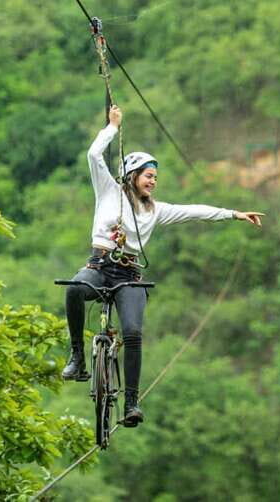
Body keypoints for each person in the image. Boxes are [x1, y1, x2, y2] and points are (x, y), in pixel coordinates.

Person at [62, 104, 264, 427]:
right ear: (132, 176)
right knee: (74, 288)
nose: (153, 182)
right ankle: (77, 357)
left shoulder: (155, 210)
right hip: (99, 267)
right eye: (148, 176)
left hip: (129, 276)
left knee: (132, 332)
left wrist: (234, 214)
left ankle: (131, 403)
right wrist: (112, 127)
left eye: (155, 177)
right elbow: (93, 155)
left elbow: (195, 211)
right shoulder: (108, 191)